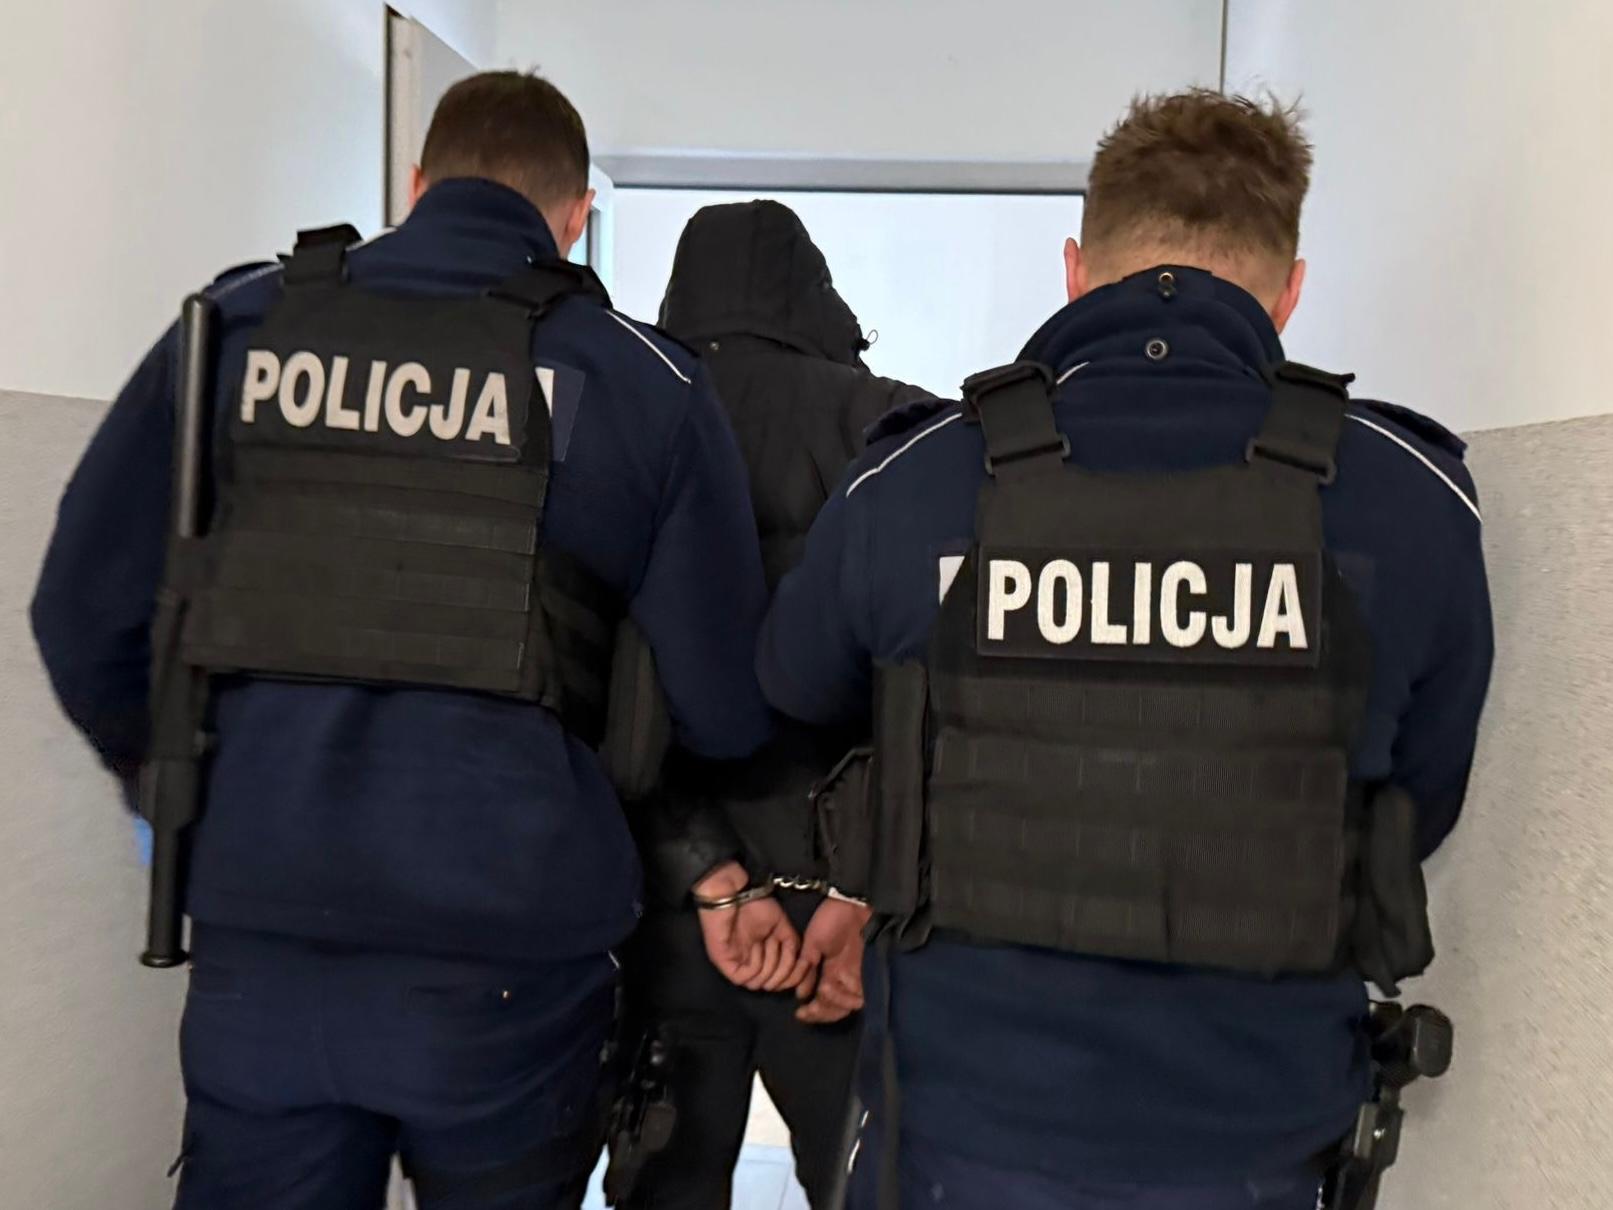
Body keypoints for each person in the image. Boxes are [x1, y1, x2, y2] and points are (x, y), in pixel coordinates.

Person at [30, 71, 771, 1210]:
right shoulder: (644, 380)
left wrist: (180, 782)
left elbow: (80, 613)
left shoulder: (240, 323)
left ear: (416, 184)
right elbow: (721, 707)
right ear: (576, 215)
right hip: (508, 957)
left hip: (263, 928)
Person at [757, 90, 1494, 1210]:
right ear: (1289, 290)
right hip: (1255, 1149)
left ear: (1074, 269)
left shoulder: (913, 479)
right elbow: (1416, 805)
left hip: (957, 1137)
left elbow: (790, 684)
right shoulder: (1413, 498)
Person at [620, 200, 932, 1209]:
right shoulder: (898, 433)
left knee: (664, 1182)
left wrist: (709, 875)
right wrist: (861, 885)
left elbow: (597, 684)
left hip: (673, 899)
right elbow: (932, 692)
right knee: (864, 1186)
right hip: (843, 914)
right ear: (816, 296)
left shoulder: (632, 414)